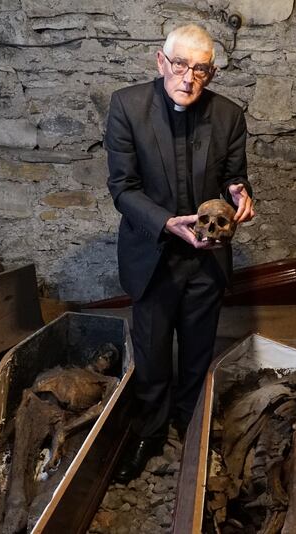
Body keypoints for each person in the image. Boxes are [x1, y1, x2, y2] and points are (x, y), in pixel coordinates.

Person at [105, 24, 255, 483]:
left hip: (206, 259)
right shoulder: (127, 107)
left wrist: (241, 195)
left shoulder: (228, 115)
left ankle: (192, 428)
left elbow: (236, 178)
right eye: (180, 65)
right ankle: (150, 434)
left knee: (197, 354)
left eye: (201, 69)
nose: (188, 78)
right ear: (160, 61)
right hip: (152, 257)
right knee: (151, 356)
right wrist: (166, 222)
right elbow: (123, 188)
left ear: (210, 72)